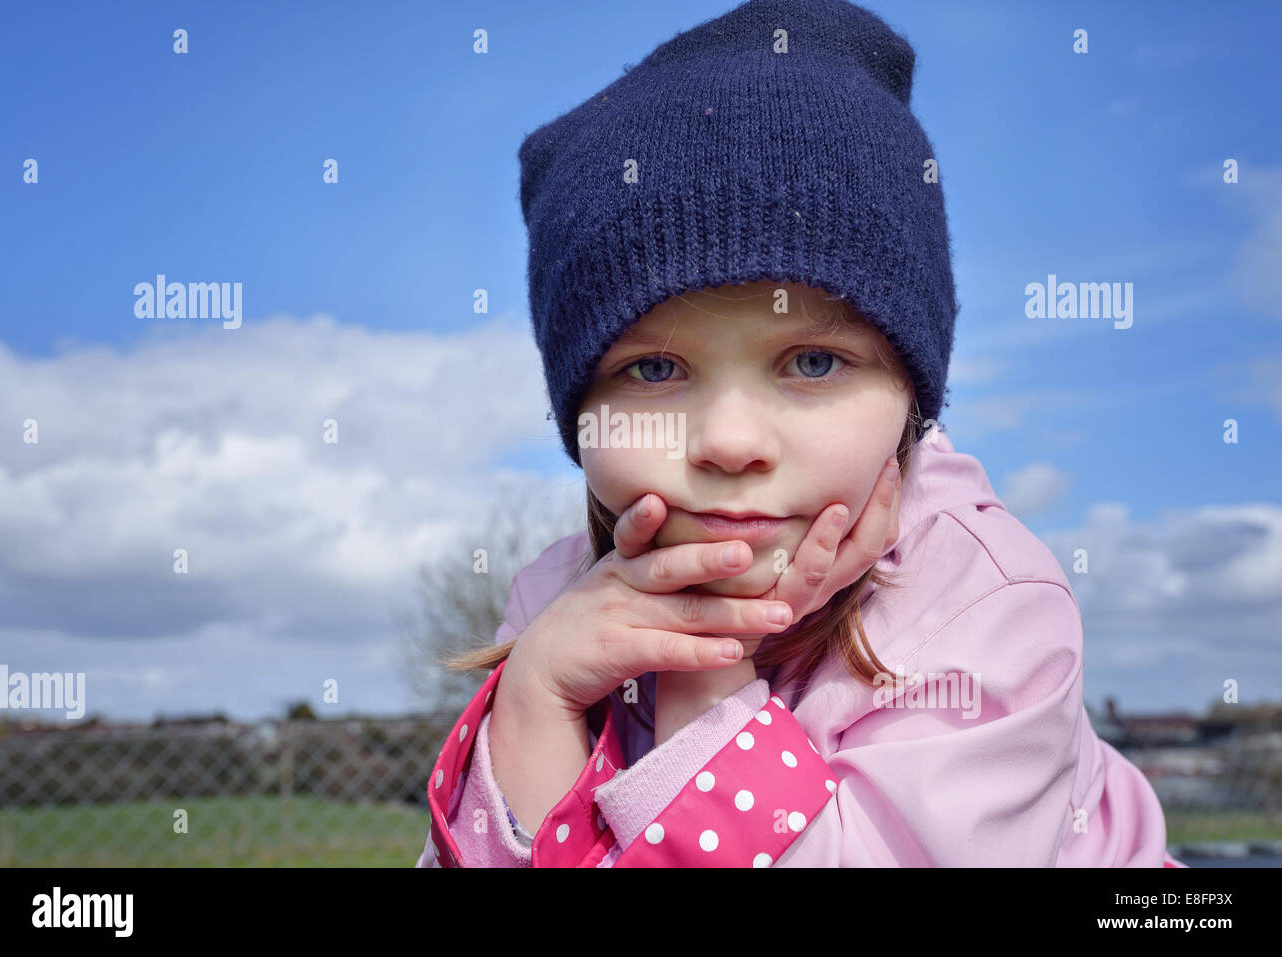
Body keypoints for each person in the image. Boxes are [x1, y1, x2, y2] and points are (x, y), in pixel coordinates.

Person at [416, 0, 1186, 868]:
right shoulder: (559, 606)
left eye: (814, 362)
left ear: (911, 396)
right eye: (657, 370)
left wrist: (706, 679)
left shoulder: (984, 604)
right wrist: (533, 704)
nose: (732, 442)